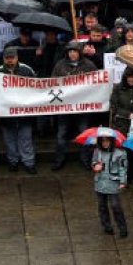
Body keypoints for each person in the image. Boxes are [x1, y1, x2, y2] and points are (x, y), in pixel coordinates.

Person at [0, 47, 37, 174]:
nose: (10, 61)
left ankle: (29, 162)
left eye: (12, 58)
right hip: (6, 113)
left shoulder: (27, 70)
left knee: (26, 138)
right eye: (7, 58)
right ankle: (13, 161)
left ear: (17, 58)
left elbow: (37, 88)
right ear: (3, 58)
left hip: (24, 112)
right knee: (9, 139)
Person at [51, 41, 98, 171]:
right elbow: (53, 82)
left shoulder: (89, 65)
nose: (72, 54)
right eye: (70, 51)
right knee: (61, 134)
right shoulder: (60, 65)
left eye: (75, 51)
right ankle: (59, 160)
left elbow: (97, 81)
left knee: (85, 134)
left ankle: (86, 160)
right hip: (64, 107)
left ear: (79, 53)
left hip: (82, 107)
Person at [92, 135, 129, 237]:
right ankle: (107, 226)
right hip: (100, 183)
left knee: (115, 206)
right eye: (103, 141)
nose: (105, 143)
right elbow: (93, 163)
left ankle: (122, 228)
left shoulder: (120, 153)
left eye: (107, 141)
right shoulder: (97, 151)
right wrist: (95, 167)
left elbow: (123, 168)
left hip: (113, 183)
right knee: (102, 206)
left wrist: (123, 182)